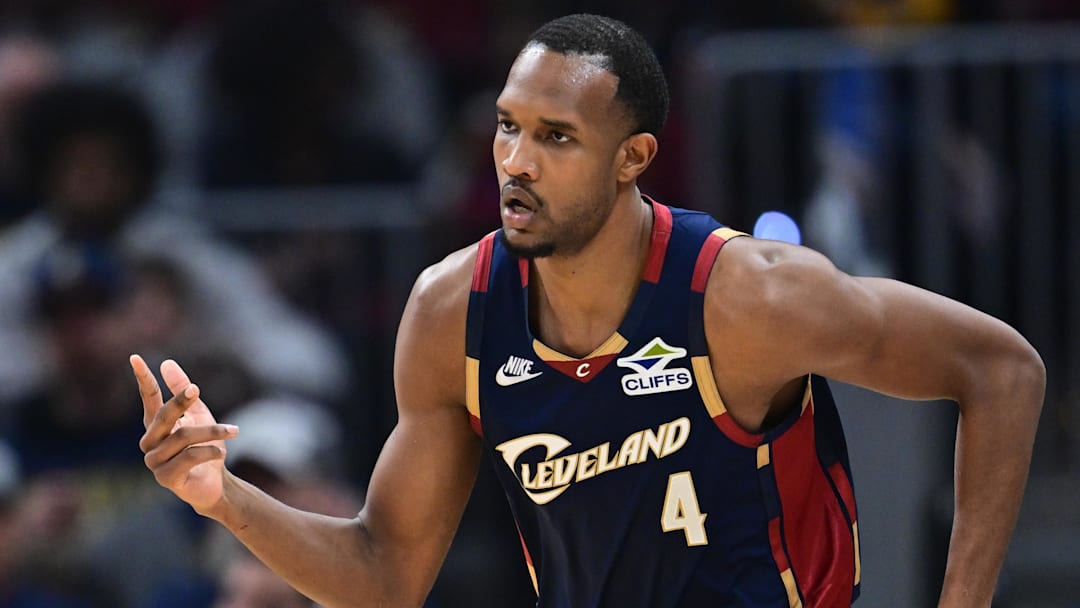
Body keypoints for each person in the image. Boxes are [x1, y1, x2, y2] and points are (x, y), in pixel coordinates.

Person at [133, 13, 1045, 607]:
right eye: (506, 126)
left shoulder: (750, 294)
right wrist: (223, 498)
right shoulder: (453, 310)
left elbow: (1002, 369)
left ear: (633, 157)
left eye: (556, 137)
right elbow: (385, 574)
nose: (516, 162)